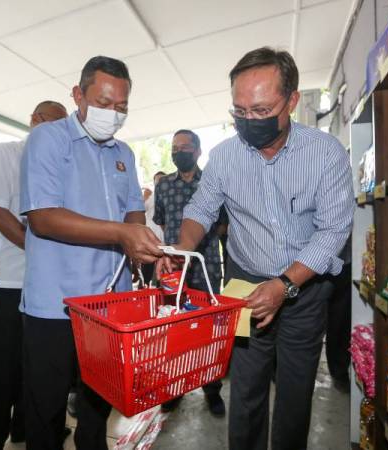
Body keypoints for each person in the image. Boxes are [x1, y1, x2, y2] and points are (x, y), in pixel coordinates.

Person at [157, 47, 354, 450]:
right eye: (239, 112)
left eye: (261, 111)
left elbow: (334, 230)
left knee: (296, 393)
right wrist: (181, 247)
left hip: (305, 288)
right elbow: (201, 208)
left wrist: (285, 285)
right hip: (244, 287)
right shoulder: (225, 156)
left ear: (293, 100)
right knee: (245, 392)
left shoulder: (326, 153)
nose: (249, 122)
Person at [19, 55, 162, 450]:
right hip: (55, 303)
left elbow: (133, 208)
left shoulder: (124, 154)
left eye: (122, 108)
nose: (112, 115)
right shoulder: (49, 138)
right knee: (45, 408)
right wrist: (122, 232)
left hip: (108, 303)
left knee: (98, 403)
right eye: (103, 103)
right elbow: (43, 217)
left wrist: (143, 243)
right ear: (78, 95)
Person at [0, 100, 67, 449]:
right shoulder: (5, 154)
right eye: (53, 124)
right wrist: (38, 248)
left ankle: (25, 427)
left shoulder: (59, 166)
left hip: (45, 284)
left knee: (36, 363)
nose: (59, 134)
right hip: (10, 280)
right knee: (1, 369)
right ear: (34, 120)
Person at [153, 130, 226, 416]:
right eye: (174, 147)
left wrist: (197, 240)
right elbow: (160, 221)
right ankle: (174, 388)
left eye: (185, 147)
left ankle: (212, 389)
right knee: (173, 329)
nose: (178, 151)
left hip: (206, 267)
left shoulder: (212, 182)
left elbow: (222, 224)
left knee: (209, 331)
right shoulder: (163, 186)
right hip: (173, 270)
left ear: (197, 151)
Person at [325, 238, 352, 389]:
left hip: (343, 263)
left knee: (340, 319)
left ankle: (339, 371)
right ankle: (278, 370)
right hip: (304, 262)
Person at [141, 170, 166, 285]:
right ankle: (144, 286)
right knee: (147, 265)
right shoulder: (149, 194)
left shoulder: (169, 196)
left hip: (163, 236)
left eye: (162, 179)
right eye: (157, 179)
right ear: (154, 181)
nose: (160, 181)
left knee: (161, 269)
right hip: (149, 234)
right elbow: (140, 210)